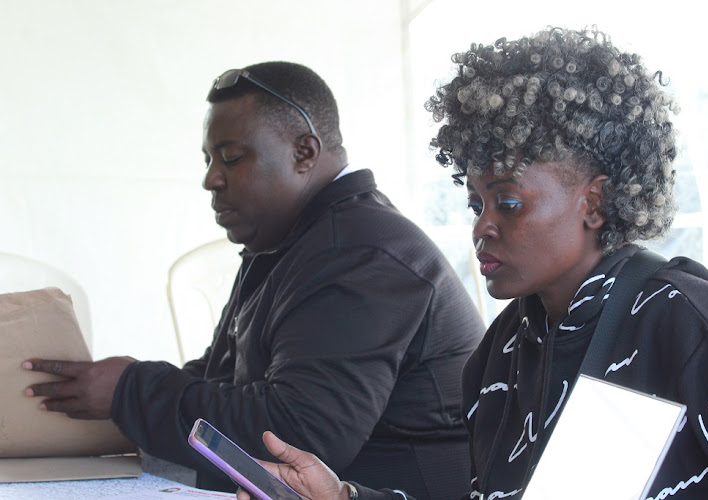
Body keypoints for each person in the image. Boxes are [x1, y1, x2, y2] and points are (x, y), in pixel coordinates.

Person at [236, 27, 708, 499]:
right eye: (475, 204)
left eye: (507, 202)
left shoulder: (690, 327)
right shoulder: (501, 349)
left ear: (594, 202)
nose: (482, 226)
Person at [22, 61, 486, 497]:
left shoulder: (361, 251)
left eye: (230, 158)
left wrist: (130, 392)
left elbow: (297, 436)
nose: (210, 179)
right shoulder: (290, 242)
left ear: (303, 152)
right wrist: (107, 399)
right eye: (208, 159)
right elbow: (220, 376)